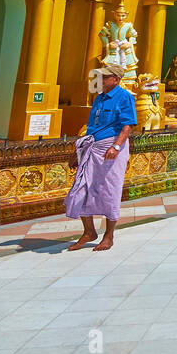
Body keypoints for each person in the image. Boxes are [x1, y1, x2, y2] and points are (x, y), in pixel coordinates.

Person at [65, 63, 137, 252]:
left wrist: (116, 146)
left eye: (105, 77)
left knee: (110, 190)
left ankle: (109, 236)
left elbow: (127, 125)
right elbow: (90, 128)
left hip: (112, 148)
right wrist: (78, 152)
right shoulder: (98, 99)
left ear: (116, 79)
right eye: (100, 77)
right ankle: (89, 232)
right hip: (93, 147)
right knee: (81, 187)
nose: (101, 80)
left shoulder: (125, 97)